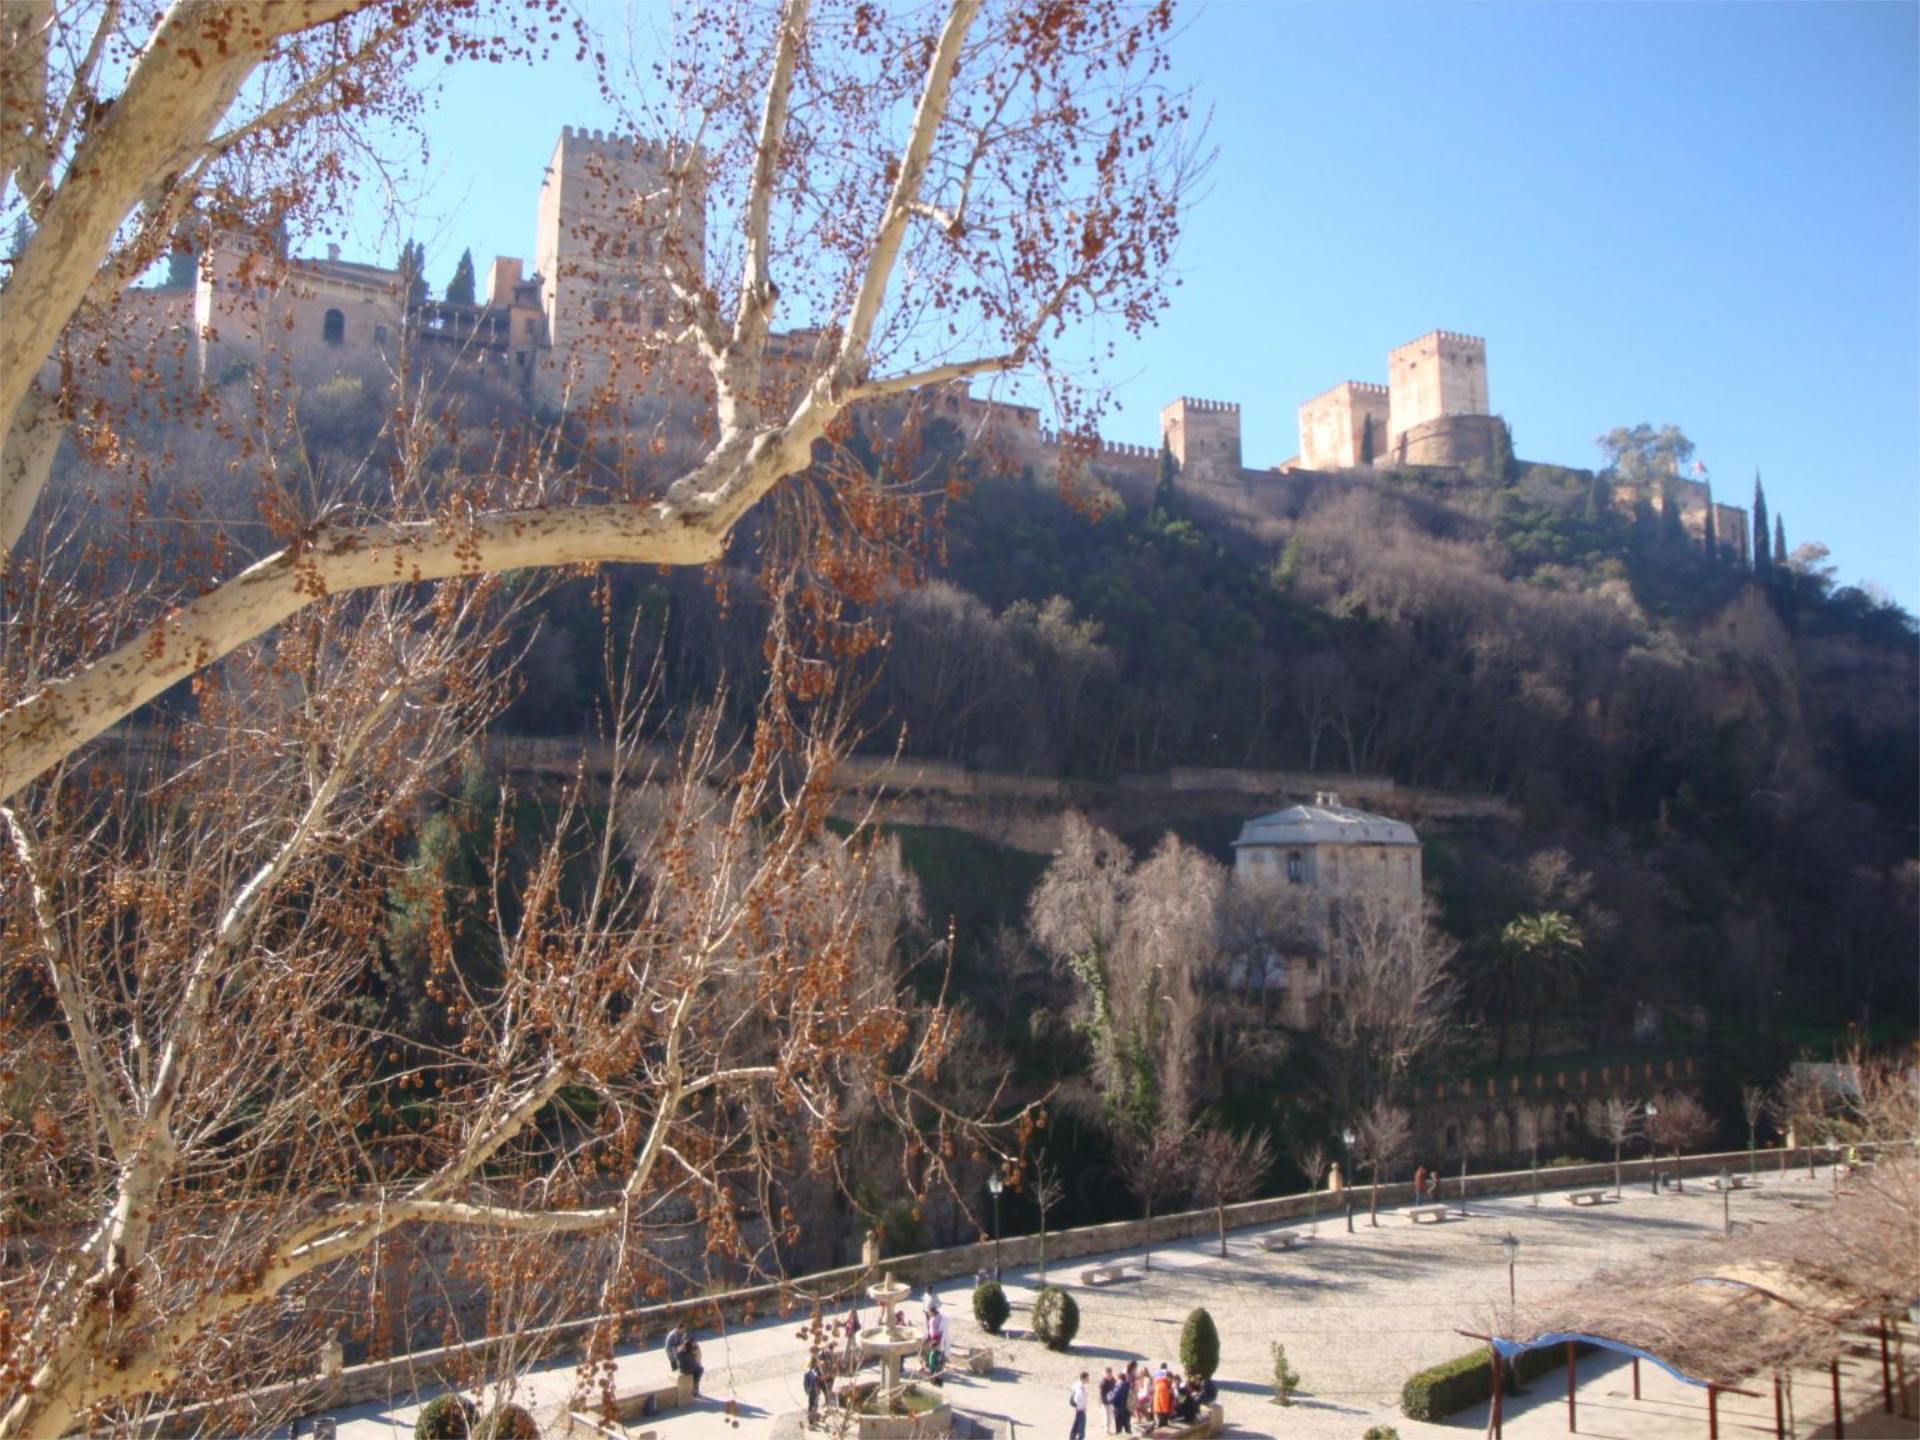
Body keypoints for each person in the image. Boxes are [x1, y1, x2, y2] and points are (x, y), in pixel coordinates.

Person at [678, 1332, 704, 1397]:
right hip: (689, 1369)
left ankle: (695, 1389)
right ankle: (695, 1390)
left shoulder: (680, 1350)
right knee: (700, 1370)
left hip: (682, 1369)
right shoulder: (690, 1351)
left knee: (697, 1370)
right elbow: (696, 1360)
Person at [1151, 1363, 1174, 1430]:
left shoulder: (1164, 1384)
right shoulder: (1163, 1385)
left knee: (1162, 1426)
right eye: (1171, 1378)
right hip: (1161, 1409)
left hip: (1161, 1408)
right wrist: (1166, 1411)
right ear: (1168, 1377)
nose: (1172, 1380)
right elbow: (1163, 1399)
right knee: (1160, 1426)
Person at [1069, 1371, 1089, 1440]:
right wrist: (1082, 1407)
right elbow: (1078, 1398)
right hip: (1080, 1409)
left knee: (1076, 1424)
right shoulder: (1081, 1387)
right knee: (1082, 1428)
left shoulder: (1076, 1384)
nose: (1088, 1379)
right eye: (1087, 1378)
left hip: (1078, 1408)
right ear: (1083, 1378)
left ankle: (1072, 1437)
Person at [1097, 1368, 1117, 1434]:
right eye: (1108, 1374)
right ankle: (1107, 1429)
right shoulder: (1103, 1381)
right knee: (1106, 1415)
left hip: (1111, 1401)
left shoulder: (1113, 1380)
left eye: (1110, 1374)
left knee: (1111, 1415)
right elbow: (1100, 1392)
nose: (1110, 1375)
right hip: (1105, 1401)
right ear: (1106, 1374)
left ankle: (1105, 1425)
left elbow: (1115, 1388)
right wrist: (1100, 1400)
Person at [803, 1354, 821, 1421]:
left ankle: (813, 1417)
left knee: (815, 1404)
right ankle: (811, 1419)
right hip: (812, 1390)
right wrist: (807, 1390)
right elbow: (806, 1382)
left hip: (815, 1390)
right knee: (812, 1405)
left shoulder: (816, 1370)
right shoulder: (809, 1371)